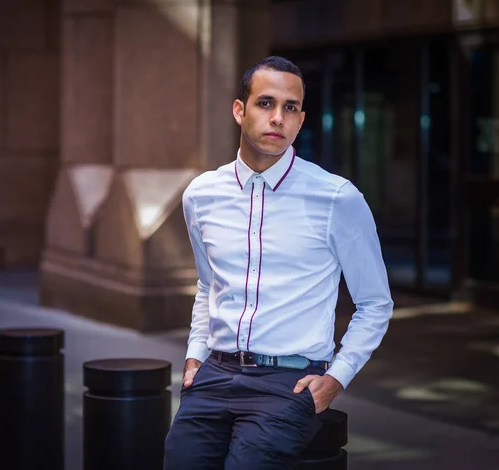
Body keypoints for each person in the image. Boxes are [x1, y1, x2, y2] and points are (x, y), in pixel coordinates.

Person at [163, 56, 394, 470]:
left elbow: (376, 303)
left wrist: (335, 379)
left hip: (288, 384)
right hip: (213, 374)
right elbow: (207, 285)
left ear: (301, 120)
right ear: (239, 110)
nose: (277, 118)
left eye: (290, 108)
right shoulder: (201, 195)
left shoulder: (337, 199)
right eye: (265, 103)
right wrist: (195, 354)